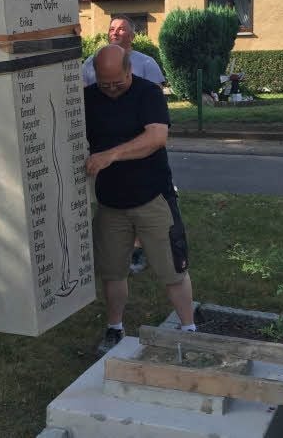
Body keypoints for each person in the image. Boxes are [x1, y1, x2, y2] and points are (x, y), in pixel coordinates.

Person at [84, 45, 195, 355]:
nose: (111, 89)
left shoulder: (148, 94)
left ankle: (189, 329)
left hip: (152, 196)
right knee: (112, 272)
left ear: (129, 70)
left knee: (172, 269)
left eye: (117, 82)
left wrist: (111, 155)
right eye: (104, 84)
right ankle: (114, 327)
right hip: (110, 202)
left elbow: (156, 138)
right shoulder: (88, 98)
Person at [83, 15, 166, 274]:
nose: (116, 33)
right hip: (106, 162)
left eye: (121, 29)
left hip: (142, 159)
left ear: (132, 35)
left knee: (142, 202)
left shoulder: (146, 64)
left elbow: (156, 114)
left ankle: (139, 246)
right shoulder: (91, 63)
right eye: (112, 29)